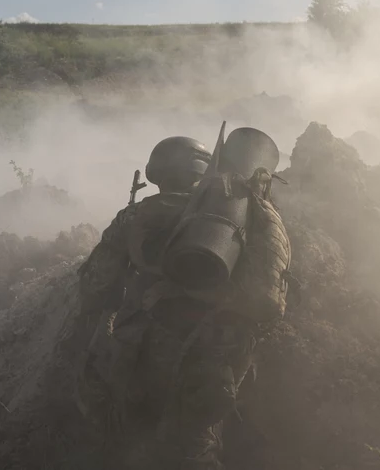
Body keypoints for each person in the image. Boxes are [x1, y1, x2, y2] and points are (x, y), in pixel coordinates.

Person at [75, 135, 291, 470]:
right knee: (194, 451)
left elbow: (95, 287)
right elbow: (268, 301)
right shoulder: (244, 219)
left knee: (122, 442)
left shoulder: (136, 216)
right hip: (213, 366)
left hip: (140, 356)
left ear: (157, 173)